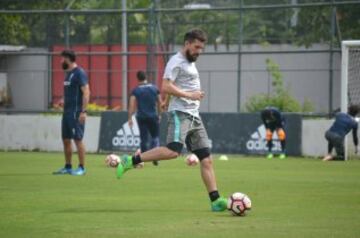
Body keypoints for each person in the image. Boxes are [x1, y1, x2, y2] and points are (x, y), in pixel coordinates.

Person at [116, 29, 228, 212]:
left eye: (201, 48)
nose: (199, 51)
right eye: (196, 47)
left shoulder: (190, 63)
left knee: (206, 159)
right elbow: (166, 85)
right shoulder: (176, 61)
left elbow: (173, 87)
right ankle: (132, 160)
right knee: (172, 152)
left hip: (194, 116)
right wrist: (189, 95)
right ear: (187, 44)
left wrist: (166, 102)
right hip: (181, 114)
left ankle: (215, 201)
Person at [53, 50, 90, 175]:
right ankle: (68, 166)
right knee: (66, 139)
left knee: (77, 139)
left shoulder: (79, 73)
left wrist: (83, 111)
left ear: (68, 58)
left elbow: (86, 92)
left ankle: (82, 168)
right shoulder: (68, 74)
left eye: (62, 58)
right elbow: (70, 93)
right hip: (67, 112)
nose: (60, 61)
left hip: (76, 112)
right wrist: (63, 101)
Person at [128, 70, 162, 166]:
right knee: (155, 137)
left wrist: (130, 117)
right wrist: (160, 114)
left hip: (141, 117)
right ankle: (155, 157)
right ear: (146, 77)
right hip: (153, 116)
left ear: (137, 78)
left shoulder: (136, 90)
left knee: (144, 139)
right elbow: (160, 101)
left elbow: (131, 104)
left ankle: (142, 159)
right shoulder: (154, 88)